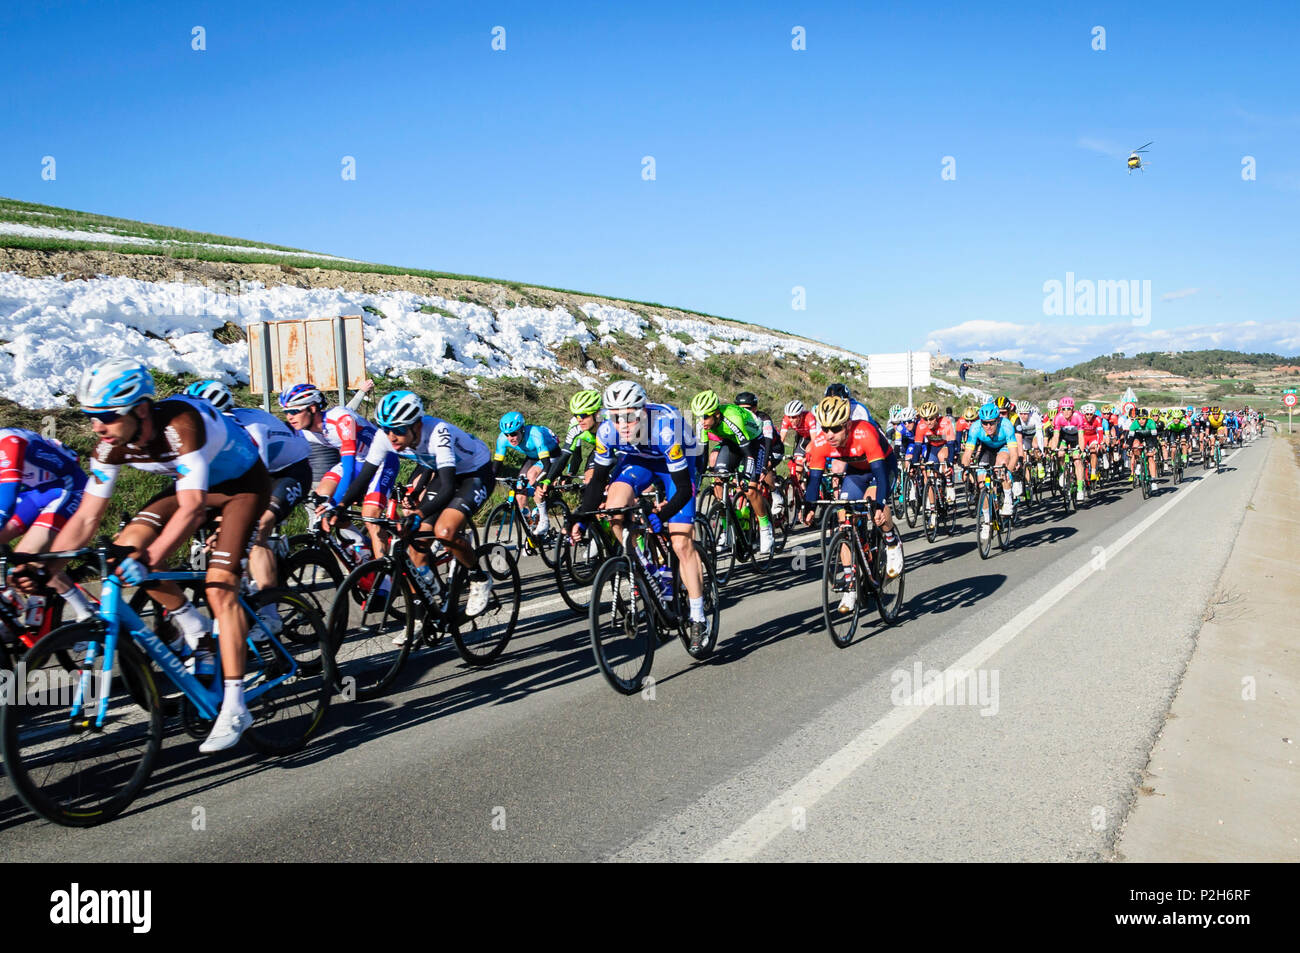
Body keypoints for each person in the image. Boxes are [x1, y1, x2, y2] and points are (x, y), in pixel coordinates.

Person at [47, 358, 270, 752]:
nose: (98, 427)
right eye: (91, 417)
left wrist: (149, 560)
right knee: (123, 548)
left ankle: (236, 706)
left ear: (141, 410)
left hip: (242, 487)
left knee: (220, 587)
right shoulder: (108, 446)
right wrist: (49, 566)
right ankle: (195, 628)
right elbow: (86, 517)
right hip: (191, 487)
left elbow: (192, 510)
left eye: (107, 417)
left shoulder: (181, 427)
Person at [324, 390, 496, 616]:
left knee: (445, 531)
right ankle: (430, 606)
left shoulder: (438, 433)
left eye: (399, 430)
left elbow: (446, 487)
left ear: (416, 425)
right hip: (443, 472)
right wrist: (340, 505)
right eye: (386, 429)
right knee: (415, 543)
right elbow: (365, 476)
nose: (391, 436)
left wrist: (418, 514)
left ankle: (478, 577)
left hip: (475, 473)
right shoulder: (386, 437)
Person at [571, 381, 710, 651]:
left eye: (629, 416)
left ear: (642, 411)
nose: (622, 423)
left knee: (681, 542)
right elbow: (597, 481)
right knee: (614, 510)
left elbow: (682, 489)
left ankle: (698, 617)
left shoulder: (665, 429)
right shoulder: (608, 431)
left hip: (678, 463)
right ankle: (647, 567)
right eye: (615, 416)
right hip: (640, 459)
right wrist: (581, 518)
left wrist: (664, 512)